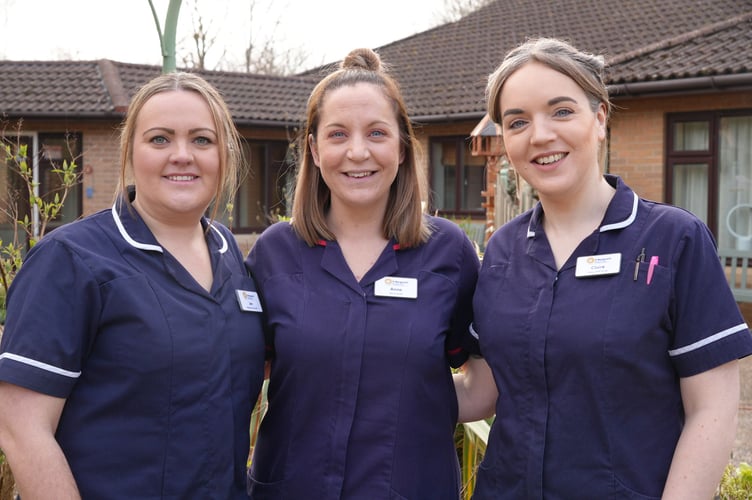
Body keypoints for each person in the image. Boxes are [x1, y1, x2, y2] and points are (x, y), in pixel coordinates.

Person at [455, 38, 752, 499]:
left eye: (561, 111)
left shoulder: (674, 241)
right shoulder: (502, 251)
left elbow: (711, 409)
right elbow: (482, 391)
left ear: (599, 119)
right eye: (517, 122)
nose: (540, 135)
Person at [0, 72, 266, 499]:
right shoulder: (70, 260)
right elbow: (21, 428)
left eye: (202, 140)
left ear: (224, 155)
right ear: (130, 152)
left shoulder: (229, 254)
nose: (182, 155)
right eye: (160, 139)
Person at [245, 47, 479, 499]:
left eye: (376, 133)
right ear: (313, 150)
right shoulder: (273, 255)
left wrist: (413, 404)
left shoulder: (447, 253)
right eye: (337, 135)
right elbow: (238, 381)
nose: (357, 152)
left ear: (402, 146)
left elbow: (483, 376)